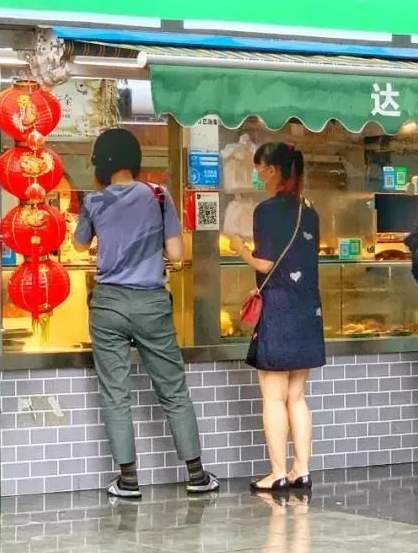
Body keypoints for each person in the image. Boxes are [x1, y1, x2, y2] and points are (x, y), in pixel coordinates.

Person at [73, 127, 218, 499]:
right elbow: (177, 254)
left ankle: (128, 480)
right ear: (135, 160)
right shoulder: (157, 195)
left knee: (115, 394)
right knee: (173, 389)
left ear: (101, 163)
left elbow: (79, 244)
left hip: (108, 304)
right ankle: (196, 475)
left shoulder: (94, 201)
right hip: (151, 303)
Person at [230, 142, 325, 493]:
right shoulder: (309, 210)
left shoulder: (266, 211)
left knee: (272, 396)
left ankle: (277, 473)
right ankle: (302, 469)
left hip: (279, 309)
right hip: (307, 309)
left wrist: (241, 250)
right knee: (296, 396)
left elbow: (265, 263)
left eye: (259, 169)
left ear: (272, 170)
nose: (257, 175)